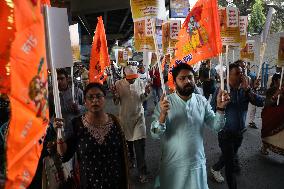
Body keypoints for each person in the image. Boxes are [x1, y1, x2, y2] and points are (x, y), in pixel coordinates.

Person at [150, 63, 230, 189]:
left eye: (190, 77)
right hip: (173, 166)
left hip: (196, 164)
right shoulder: (165, 104)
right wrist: (162, 116)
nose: (187, 81)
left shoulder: (201, 101)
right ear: (175, 83)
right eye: (182, 78)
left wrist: (220, 109)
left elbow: (216, 127)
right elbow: (154, 134)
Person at [55, 83, 130, 189]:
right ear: (85, 102)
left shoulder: (115, 122)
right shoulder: (77, 124)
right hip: (89, 183)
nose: (95, 100)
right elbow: (64, 155)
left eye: (99, 96)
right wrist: (60, 135)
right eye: (90, 97)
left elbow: (122, 155)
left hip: (116, 182)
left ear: (104, 99)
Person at [210, 61, 265, 189]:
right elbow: (211, 110)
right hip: (225, 134)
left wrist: (248, 89)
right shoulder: (221, 90)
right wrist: (221, 106)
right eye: (238, 73)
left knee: (230, 155)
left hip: (239, 133)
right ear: (229, 75)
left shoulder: (244, 90)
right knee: (230, 165)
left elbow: (260, 102)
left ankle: (215, 168)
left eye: (242, 73)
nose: (241, 76)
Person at [112, 65, 150, 183]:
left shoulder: (140, 82)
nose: (133, 80)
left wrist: (147, 93)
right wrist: (115, 95)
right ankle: (130, 162)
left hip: (139, 118)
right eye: (130, 78)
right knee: (127, 146)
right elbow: (116, 102)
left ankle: (142, 172)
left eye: (134, 77)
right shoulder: (118, 84)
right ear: (125, 76)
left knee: (140, 147)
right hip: (125, 119)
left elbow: (142, 98)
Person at [261, 73, 284, 156]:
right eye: (280, 79)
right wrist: (276, 95)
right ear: (275, 81)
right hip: (271, 115)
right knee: (268, 135)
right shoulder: (271, 90)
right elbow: (267, 103)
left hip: (281, 118)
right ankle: (264, 146)